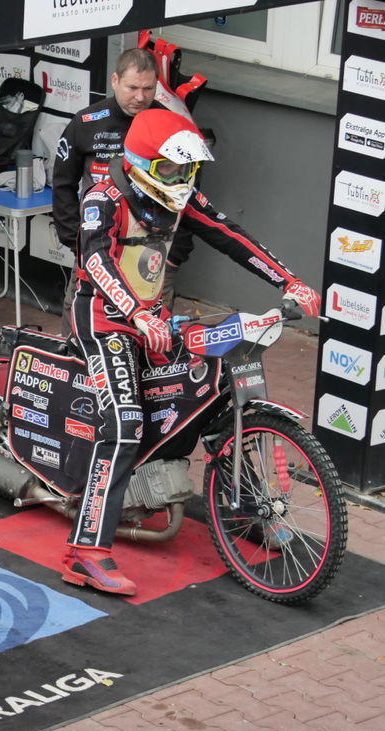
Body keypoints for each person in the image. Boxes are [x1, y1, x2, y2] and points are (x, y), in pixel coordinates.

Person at [62, 109, 320, 597]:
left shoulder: (180, 197)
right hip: (105, 319)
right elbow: (94, 260)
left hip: (155, 318)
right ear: (140, 162)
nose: (180, 179)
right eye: (171, 168)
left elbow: (231, 236)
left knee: (212, 391)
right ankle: (85, 553)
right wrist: (136, 313)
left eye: (188, 169)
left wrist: (289, 280)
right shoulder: (104, 197)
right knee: (125, 423)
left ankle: (245, 506)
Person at [52, 48, 195, 329]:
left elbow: (189, 193)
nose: (140, 97)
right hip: (97, 245)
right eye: (132, 88)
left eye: (148, 89)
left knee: (154, 331)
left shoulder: (171, 125)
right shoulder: (86, 123)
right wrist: (77, 241)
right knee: (80, 325)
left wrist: (177, 254)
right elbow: (62, 184)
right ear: (115, 80)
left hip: (153, 249)